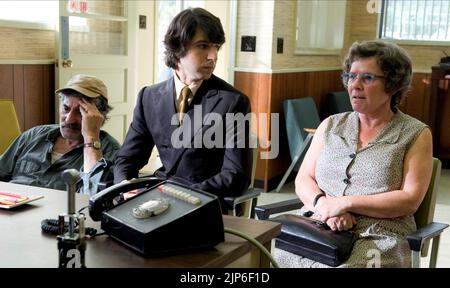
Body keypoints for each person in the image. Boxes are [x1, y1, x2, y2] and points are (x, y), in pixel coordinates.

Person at [275, 40, 433, 268]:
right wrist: (324, 207)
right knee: (273, 258)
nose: (355, 85)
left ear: (393, 84)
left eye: (367, 78)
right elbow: (304, 178)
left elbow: (409, 199)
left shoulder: (415, 133)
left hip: (379, 236)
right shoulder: (330, 125)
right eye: (351, 76)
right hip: (319, 226)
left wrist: (344, 203)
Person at [113, 8, 252, 210]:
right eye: (203, 46)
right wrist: (125, 187)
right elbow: (126, 158)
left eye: (216, 47)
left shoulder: (233, 102)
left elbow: (236, 175)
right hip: (155, 199)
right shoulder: (148, 97)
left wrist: (178, 197)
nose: (213, 56)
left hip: (201, 204)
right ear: (177, 48)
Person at [0, 74, 121, 196]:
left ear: (99, 117)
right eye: (66, 108)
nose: (69, 120)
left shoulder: (110, 151)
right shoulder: (34, 135)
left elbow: (93, 198)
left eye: (80, 112)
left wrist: (90, 138)